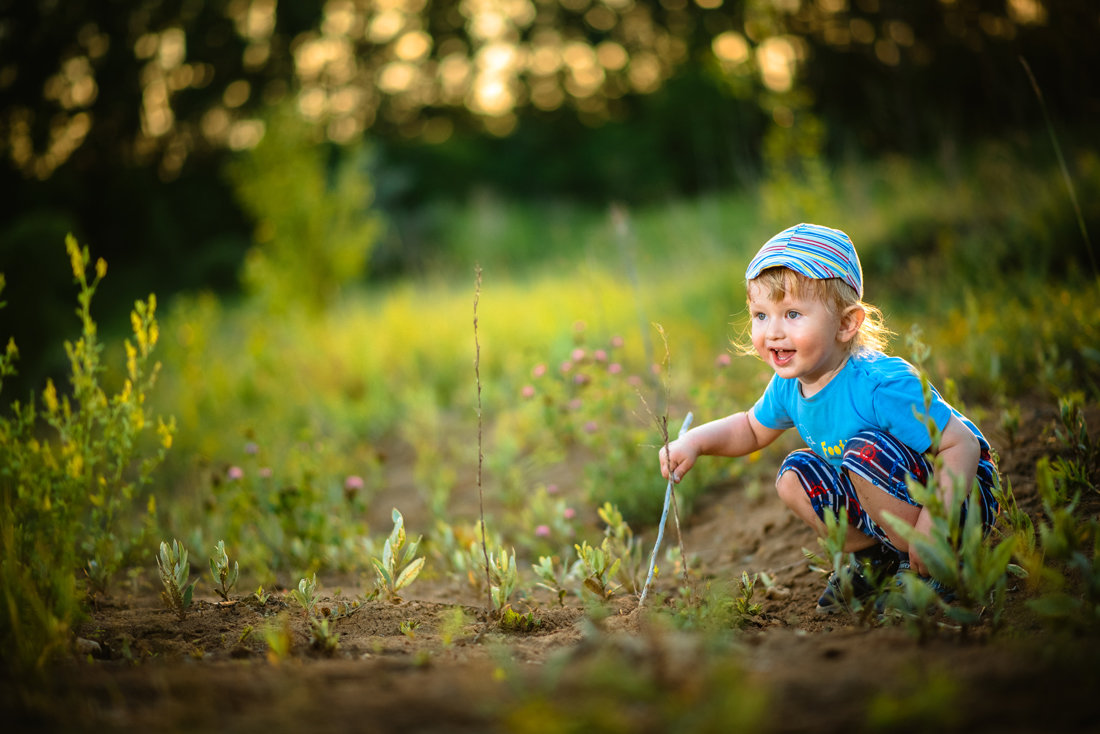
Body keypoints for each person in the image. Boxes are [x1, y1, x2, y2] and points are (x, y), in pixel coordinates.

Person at [657, 222, 999, 614]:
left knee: (862, 453)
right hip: (887, 501)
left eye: (792, 314)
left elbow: (962, 445)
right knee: (794, 476)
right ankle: (877, 561)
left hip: (956, 501)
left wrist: (934, 525)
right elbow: (751, 428)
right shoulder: (790, 384)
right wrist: (694, 442)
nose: (773, 332)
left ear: (845, 323)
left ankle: (933, 568)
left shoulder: (879, 386)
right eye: (761, 315)